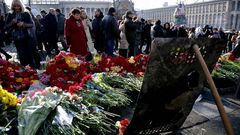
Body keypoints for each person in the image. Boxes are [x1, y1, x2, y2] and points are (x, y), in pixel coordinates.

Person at [5, 0, 36, 68]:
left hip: (27, 36)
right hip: (17, 37)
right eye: (15, 6)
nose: (16, 8)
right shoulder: (10, 14)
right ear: (12, 6)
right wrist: (12, 23)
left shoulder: (26, 13)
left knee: (29, 54)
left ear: (21, 5)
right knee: (21, 55)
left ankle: (32, 69)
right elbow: (6, 26)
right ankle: (24, 70)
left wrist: (23, 24)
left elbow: (31, 24)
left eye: (18, 6)